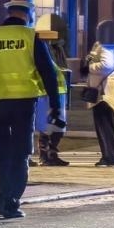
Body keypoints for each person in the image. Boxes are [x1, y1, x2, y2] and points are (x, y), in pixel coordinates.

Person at [0, 0, 61, 219]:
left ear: (9, 13)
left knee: (3, 151)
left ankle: (5, 193)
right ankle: (11, 200)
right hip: (24, 102)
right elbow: (48, 72)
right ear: (26, 15)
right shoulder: (29, 36)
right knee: (22, 152)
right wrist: (55, 103)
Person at [85, 21, 114, 167]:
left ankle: (109, 158)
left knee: (103, 125)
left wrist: (90, 66)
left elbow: (106, 65)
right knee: (108, 124)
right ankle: (110, 157)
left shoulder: (105, 46)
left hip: (103, 90)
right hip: (109, 89)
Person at [36, 38, 71, 167]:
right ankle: (45, 155)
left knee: (58, 127)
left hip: (58, 94)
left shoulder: (54, 53)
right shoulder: (41, 55)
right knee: (47, 127)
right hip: (46, 94)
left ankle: (51, 153)